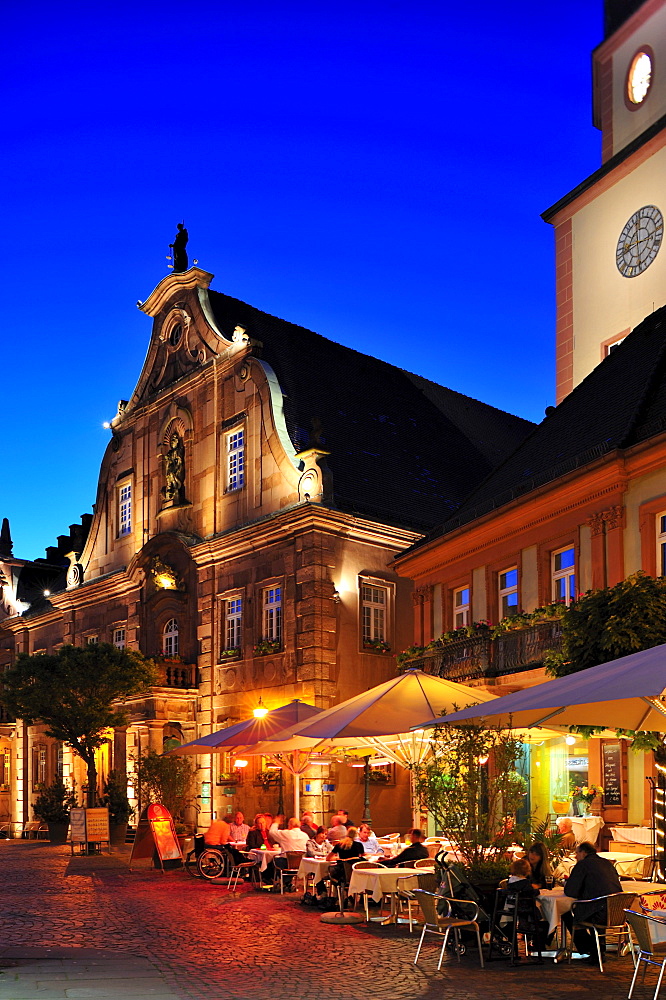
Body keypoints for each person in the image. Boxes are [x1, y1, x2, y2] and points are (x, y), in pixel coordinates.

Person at [561, 841, 622, 958]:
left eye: (577, 853)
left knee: (566, 913)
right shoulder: (607, 863)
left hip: (597, 911)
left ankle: (589, 948)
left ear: (583, 852)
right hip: (616, 910)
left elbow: (570, 891)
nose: (575, 856)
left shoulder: (583, 865)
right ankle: (598, 947)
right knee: (597, 905)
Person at [326, 825, 364, 890]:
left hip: (342, 872)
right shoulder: (359, 845)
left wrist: (338, 859)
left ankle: (337, 895)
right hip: (356, 874)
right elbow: (362, 857)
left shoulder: (340, 844)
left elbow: (328, 858)